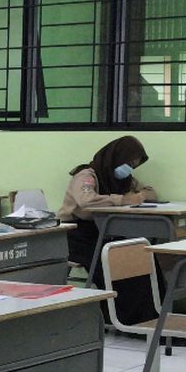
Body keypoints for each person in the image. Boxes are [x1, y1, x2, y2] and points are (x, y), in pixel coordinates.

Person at [58, 136, 159, 324]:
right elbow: (86, 201)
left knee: (140, 259)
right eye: (128, 164)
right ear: (117, 157)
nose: (129, 169)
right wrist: (123, 200)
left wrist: (142, 194)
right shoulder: (87, 175)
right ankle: (124, 318)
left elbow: (150, 192)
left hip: (103, 233)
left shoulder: (123, 179)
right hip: (76, 235)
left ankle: (150, 317)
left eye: (133, 166)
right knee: (114, 264)